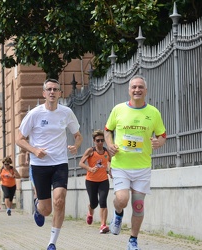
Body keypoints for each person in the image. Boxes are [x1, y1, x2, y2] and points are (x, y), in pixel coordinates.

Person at [16, 78, 83, 250]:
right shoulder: (35, 114)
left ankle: (52, 242)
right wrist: (34, 150)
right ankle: (38, 206)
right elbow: (19, 139)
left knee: (59, 201)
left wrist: (75, 146)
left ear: (60, 93)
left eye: (55, 89)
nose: (52, 92)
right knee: (46, 210)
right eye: (49, 89)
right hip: (39, 164)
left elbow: (78, 135)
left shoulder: (66, 112)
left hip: (60, 163)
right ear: (44, 93)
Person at [104, 75, 166, 250]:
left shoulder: (153, 113)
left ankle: (133, 240)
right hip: (121, 165)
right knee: (122, 199)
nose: (137, 90)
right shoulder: (118, 110)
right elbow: (107, 130)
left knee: (138, 205)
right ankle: (117, 214)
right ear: (129, 90)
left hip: (142, 167)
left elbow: (162, 135)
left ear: (145, 90)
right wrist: (109, 145)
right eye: (134, 87)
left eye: (140, 87)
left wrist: (159, 142)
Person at [79, 129, 112, 234]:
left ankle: (103, 225)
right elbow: (81, 163)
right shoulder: (90, 151)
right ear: (94, 141)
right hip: (91, 181)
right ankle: (90, 212)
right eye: (98, 140)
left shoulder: (107, 152)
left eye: (102, 140)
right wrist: (90, 169)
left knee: (103, 202)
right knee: (94, 203)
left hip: (103, 180)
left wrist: (110, 171)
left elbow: (110, 162)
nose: (100, 143)